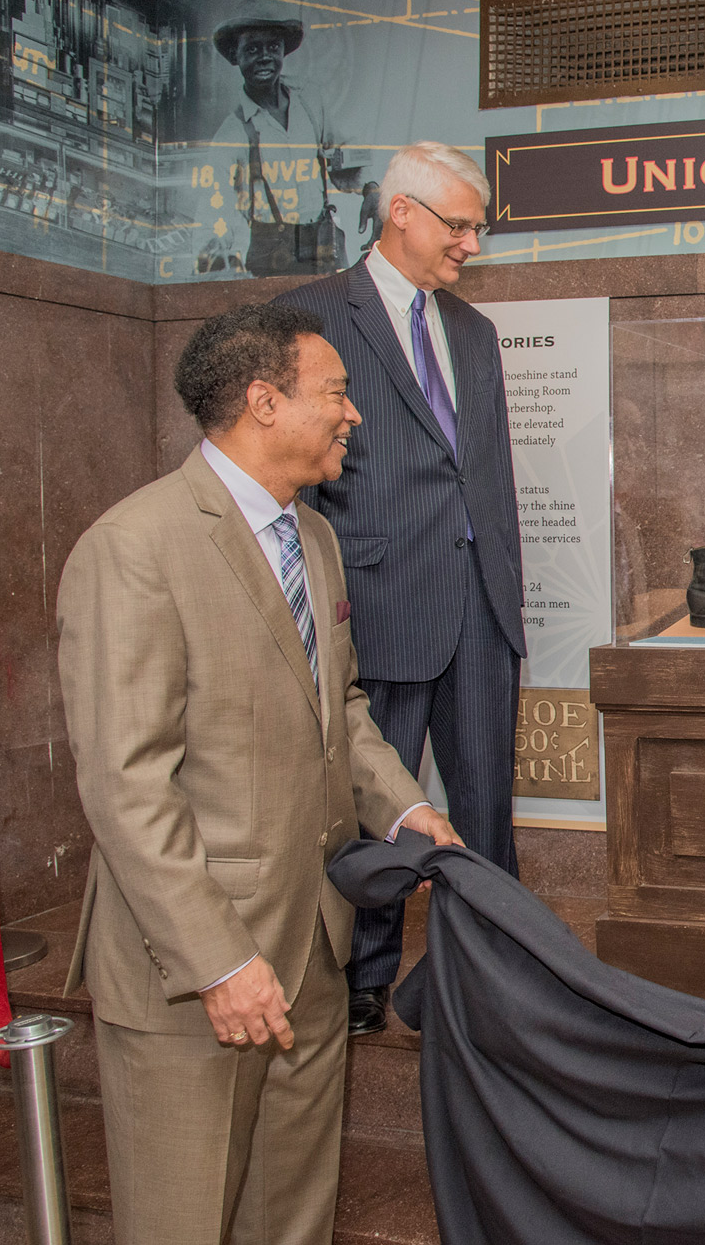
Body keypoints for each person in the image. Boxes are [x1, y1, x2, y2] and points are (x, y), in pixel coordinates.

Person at [57, 303, 462, 1244]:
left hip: (310, 951)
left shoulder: (312, 539)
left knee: (292, 1218)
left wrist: (403, 805)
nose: (353, 414)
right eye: (337, 392)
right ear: (263, 400)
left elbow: (342, 710)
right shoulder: (136, 547)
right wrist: (219, 961)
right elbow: (128, 785)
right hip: (198, 972)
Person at [279, 142, 526, 1037]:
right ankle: (364, 981)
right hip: (380, 600)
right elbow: (289, 474)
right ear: (403, 214)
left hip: (481, 608)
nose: (471, 242)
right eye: (458, 223)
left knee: (485, 807)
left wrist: (507, 589)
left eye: (477, 226)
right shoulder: (307, 317)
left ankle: (494, 970)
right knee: (377, 808)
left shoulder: (473, 331)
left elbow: (485, 473)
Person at [200, 16, 347, 275]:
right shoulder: (232, 132)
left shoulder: (310, 103)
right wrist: (215, 250)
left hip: (321, 251)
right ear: (235, 55)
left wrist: (370, 189)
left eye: (273, 47)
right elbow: (215, 202)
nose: (265, 57)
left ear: (283, 50)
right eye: (253, 49)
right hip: (271, 260)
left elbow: (340, 153)